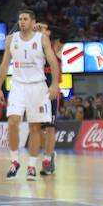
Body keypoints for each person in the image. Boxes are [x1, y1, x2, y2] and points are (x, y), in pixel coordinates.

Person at [0, 9, 61, 181]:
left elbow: (53, 62)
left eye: (25, 19)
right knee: (13, 122)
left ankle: (31, 166)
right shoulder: (11, 39)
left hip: (38, 87)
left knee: (35, 128)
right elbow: (4, 64)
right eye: (20, 19)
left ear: (33, 22)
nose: (21, 22)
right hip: (17, 86)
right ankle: (14, 161)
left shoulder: (42, 39)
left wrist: (54, 84)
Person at [37, 24, 63, 176]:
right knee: (38, 129)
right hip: (37, 92)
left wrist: (46, 26)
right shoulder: (34, 48)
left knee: (50, 127)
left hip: (51, 92)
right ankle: (50, 153)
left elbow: (67, 32)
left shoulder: (55, 47)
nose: (40, 33)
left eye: (44, 31)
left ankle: (47, 161)